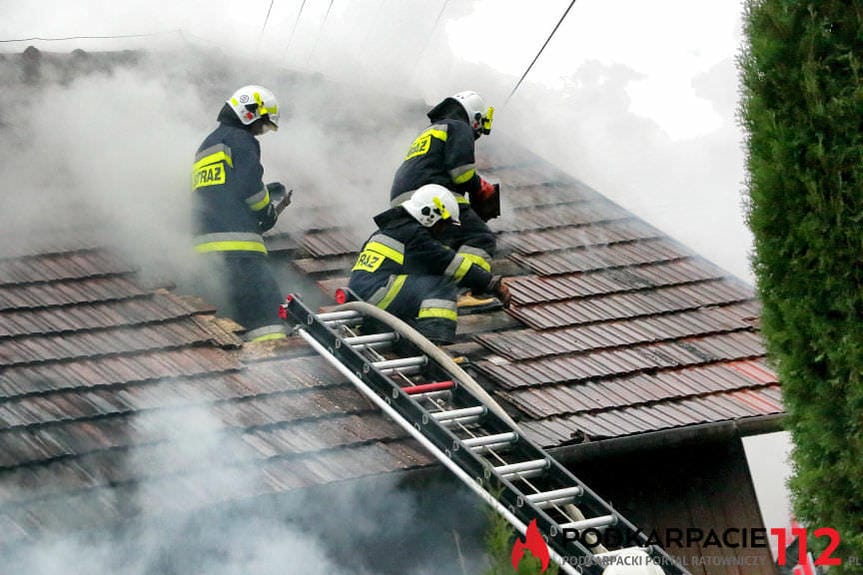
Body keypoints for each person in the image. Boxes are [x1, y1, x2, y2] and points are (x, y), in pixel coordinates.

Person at [348, 184, 509, 345]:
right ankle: (433, 344)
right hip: (378, 294)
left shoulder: (390, 230)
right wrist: (491, 284)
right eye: (443, 223)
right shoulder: (414, 234)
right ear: (429, 215)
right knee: (439, 286)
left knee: (422, 287)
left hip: (360, 298)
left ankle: (408, 343)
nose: (443, 230)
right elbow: (450, 264)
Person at [191, 85, 288, 342]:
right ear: (250, 113)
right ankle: (274, 359)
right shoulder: (241, 140)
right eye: (262, 124)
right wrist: (268, 211)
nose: (260, 131)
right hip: (241, 252)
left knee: (233, 319)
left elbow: (221, 191)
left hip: (209, 255)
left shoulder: (206, 146)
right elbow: (250, 187)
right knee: (268, 316)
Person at [389, 91, 499, 297]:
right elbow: (461, 173)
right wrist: (480, 186)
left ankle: (433, 291)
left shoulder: (430, 132)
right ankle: (466, 291)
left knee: (440, 247)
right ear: (475, 118)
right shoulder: (459, 126)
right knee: (480, 237)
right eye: (480, 126)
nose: (477, 133)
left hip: (405, 200)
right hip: (433, 193)